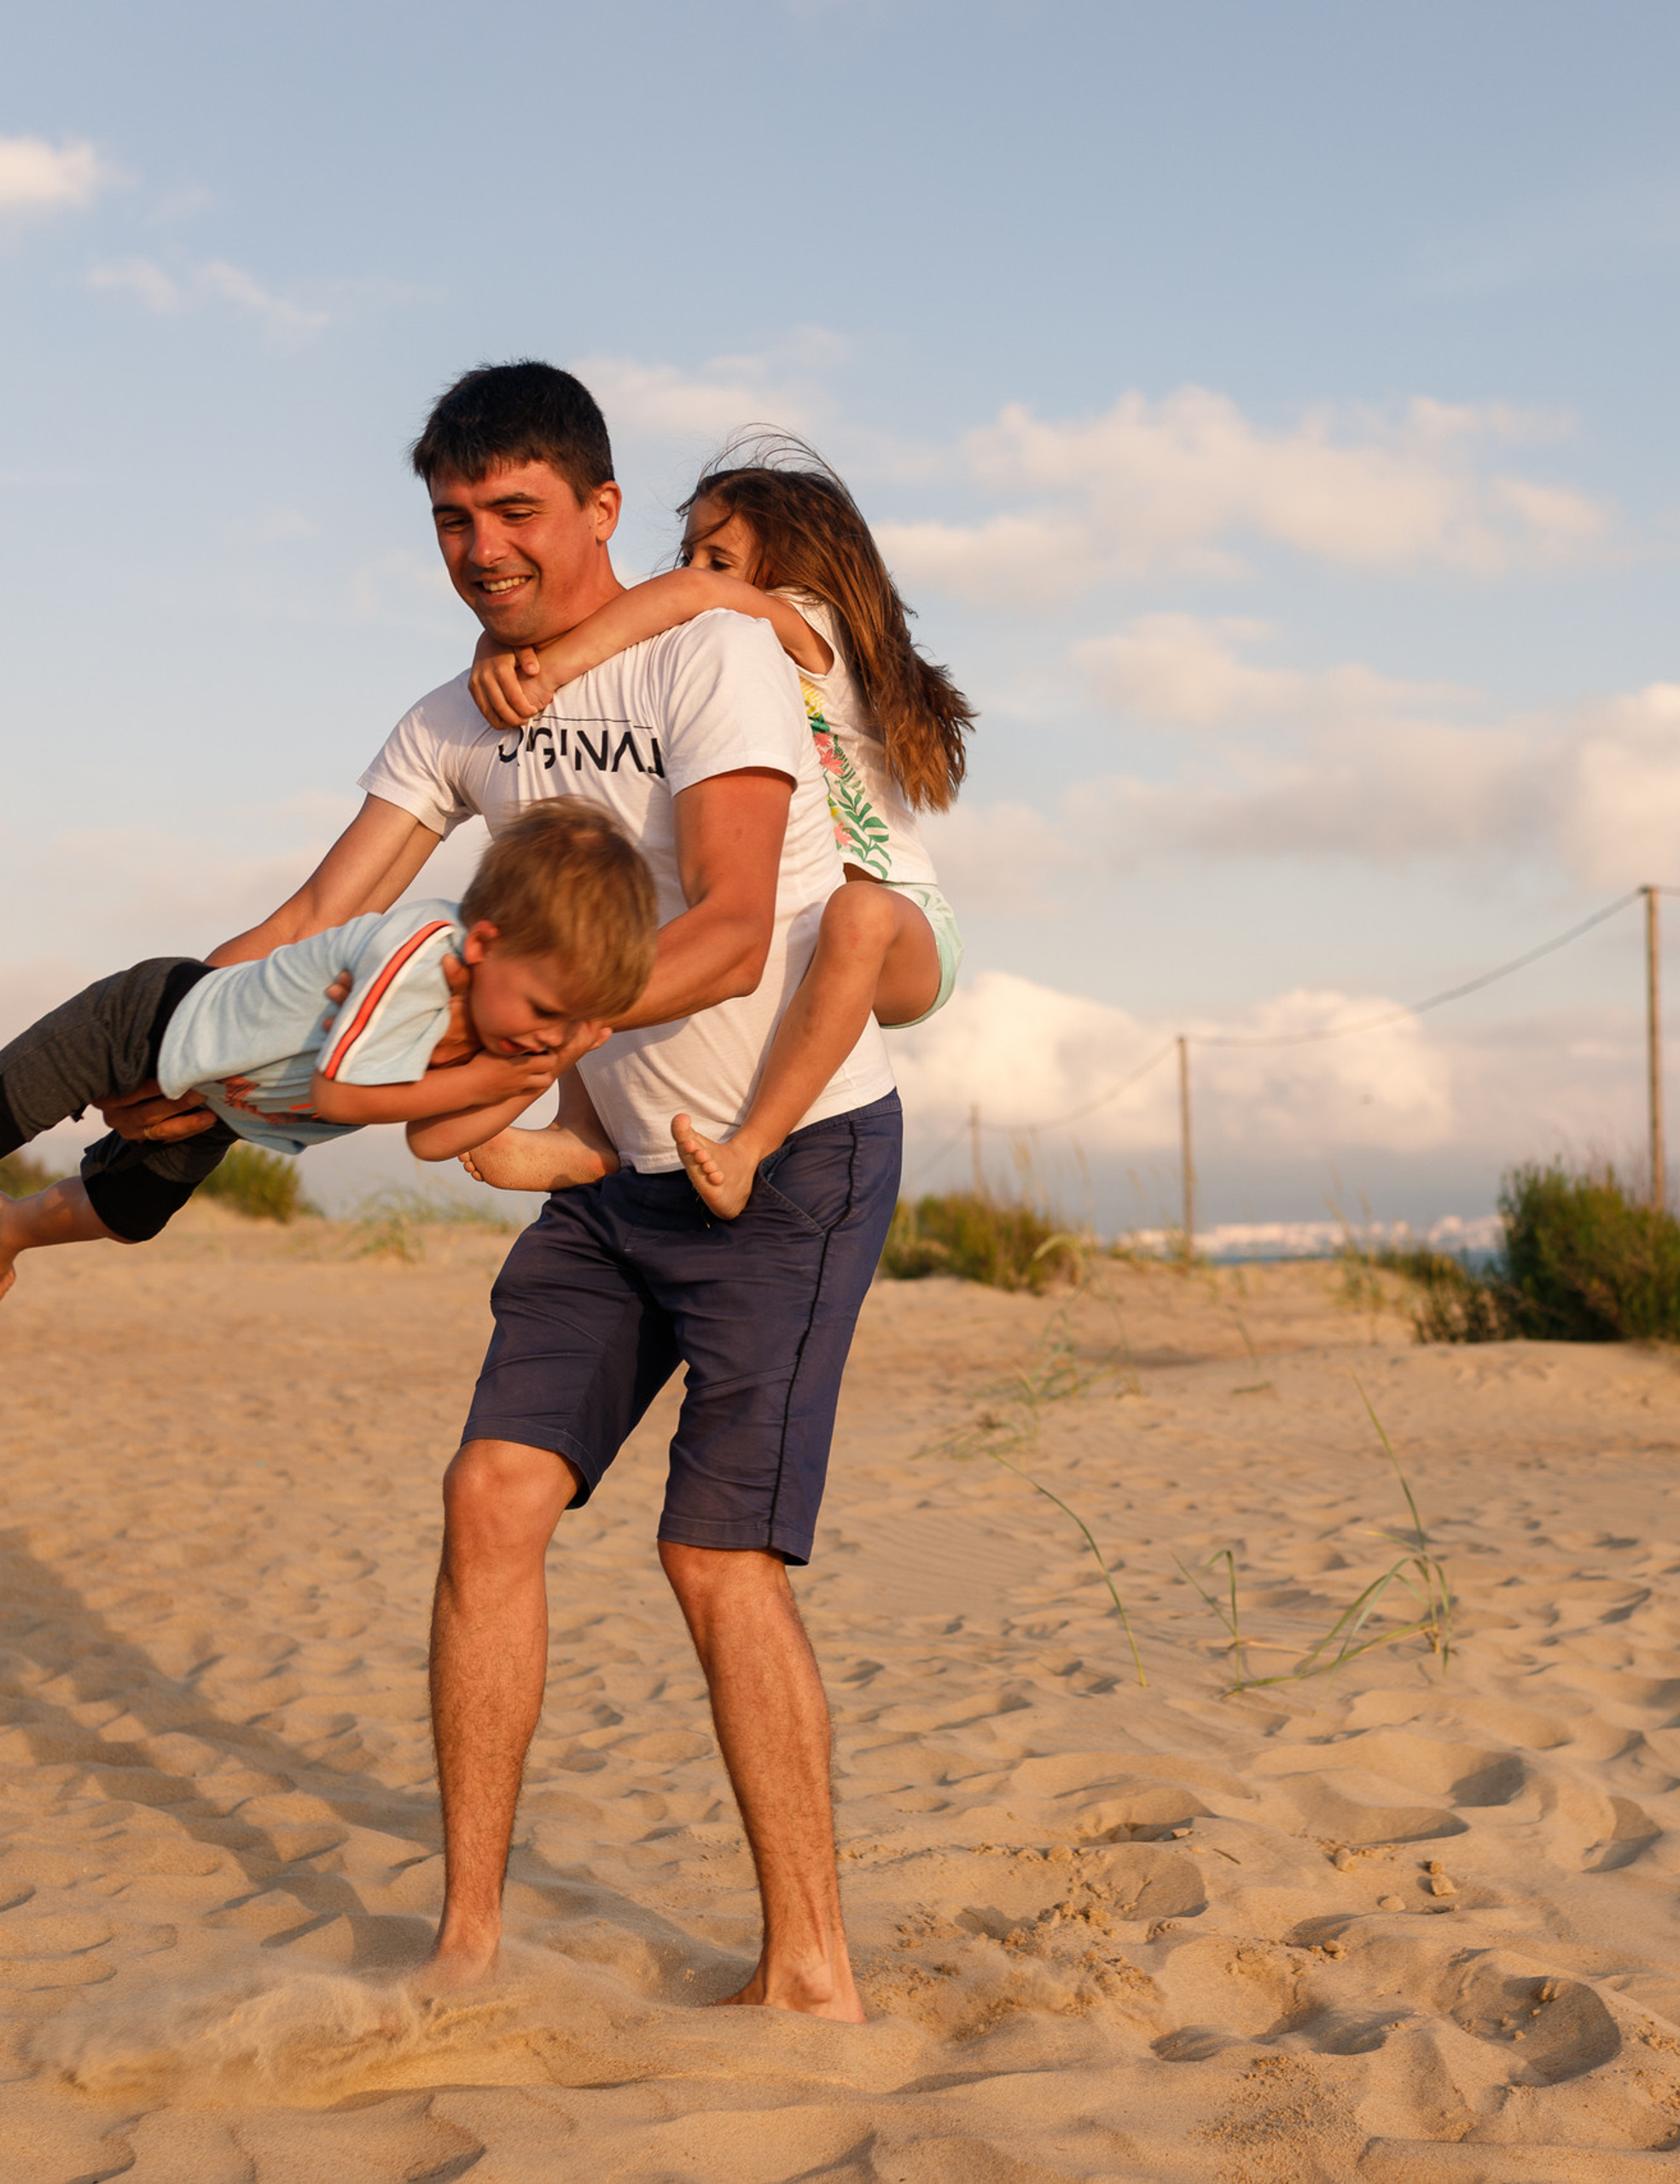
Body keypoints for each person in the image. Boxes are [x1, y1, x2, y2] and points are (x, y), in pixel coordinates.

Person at [99, 361, 902, 2017]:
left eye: (515, 510)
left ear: (601, 508)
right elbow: (313, 919)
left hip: (788, 1159)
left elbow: (728, 931)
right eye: (453, 518)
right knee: (490, 1496)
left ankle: (811, 1973)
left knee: (714, 1558)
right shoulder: (450, 720)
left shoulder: (712, 656)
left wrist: (518, 1042)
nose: (483, 547)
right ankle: (465, 1948)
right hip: (608, 1170)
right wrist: (169, 1045)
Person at [460, 433, 972, 1223]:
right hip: (803, 937)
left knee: (857, 913)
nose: (696, 571)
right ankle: (585, 1128)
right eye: (690, 551)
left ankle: (753, 1146)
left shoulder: (809, 626)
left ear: (795, 570)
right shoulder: (712, 651)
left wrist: (551, 666)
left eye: (719, 559)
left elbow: (678, 599)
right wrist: (498, 649)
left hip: (903, 928)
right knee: (602, 885)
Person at [0, 799, 644, 1301]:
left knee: (125, 1213)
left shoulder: (503, 1035)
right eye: (544, 1011)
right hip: (146, 1021)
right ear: (482, 944)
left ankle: (11, 1228)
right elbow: (338, 1094)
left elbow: (433, 1140)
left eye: (571, 1026)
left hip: (220, 1110)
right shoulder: (422, 957)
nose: (548, 1035)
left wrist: (533, 1075)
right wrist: (482, 1081)